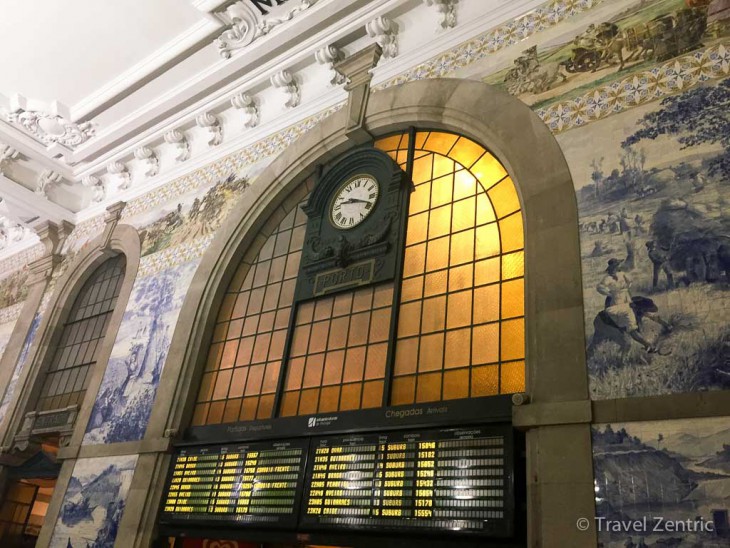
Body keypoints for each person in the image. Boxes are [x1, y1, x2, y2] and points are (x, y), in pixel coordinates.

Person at [597, 258, 658, 353]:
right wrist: (610, 293)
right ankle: (647, 345)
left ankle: (646, 344)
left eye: (617, 266)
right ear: (611, 267)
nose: (617, 268)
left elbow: (630, 282)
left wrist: (626, 288)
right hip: (616, 304)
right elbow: (600, 287)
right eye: (615, 266)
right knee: (629, 322)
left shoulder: (622, 274)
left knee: (634, 317)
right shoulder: (607, 278)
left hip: (626, 299)